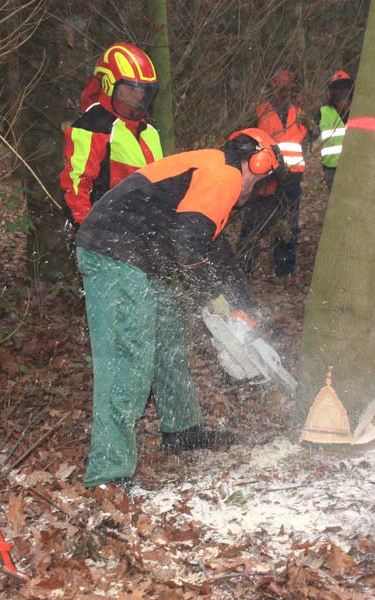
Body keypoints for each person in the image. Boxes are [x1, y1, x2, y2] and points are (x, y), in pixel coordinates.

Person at [73, 128, 284, 489]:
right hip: (115, 253)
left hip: (140, 256)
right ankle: (108, 473)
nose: (257, 190)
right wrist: (216, 304)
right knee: (128, 356)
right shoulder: (226, 176)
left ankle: (182, 429)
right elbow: (188, 247)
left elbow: (216, 252)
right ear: (258, 162)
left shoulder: (216, 169)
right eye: (262, 181)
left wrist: (245, 306)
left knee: (168, 339)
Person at [59, 42, 163, 234]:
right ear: (109, 84)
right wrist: (87, 230)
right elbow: (75, 183)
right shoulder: (93, 128)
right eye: (131, 87)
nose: (139, 94)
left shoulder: (149, 132)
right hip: (107, 233)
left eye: (143, 89)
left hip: (145, 233)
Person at [239, 66, 309, 277]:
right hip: (265, 178)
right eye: (280, 87)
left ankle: (284, 271)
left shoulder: (300, 114)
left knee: (288, 227)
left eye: (287, 88)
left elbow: (309, 137)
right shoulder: (258, 111)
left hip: (291, 179)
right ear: (272, 87)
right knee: (253, 224)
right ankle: (244, 267)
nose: (284, 92)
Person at [316, 70, 354, 193]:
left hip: (355, 167)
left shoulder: (359, 111)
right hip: (331, 170)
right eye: (337, 88)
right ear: (331, 92)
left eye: (345, 87)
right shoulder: (322, 112)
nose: (341, 91)